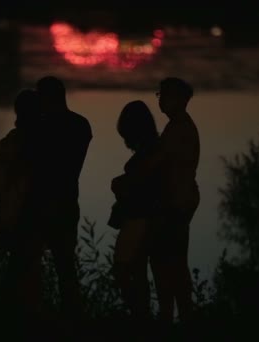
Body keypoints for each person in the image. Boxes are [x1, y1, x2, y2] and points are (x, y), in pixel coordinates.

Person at [113, 77, 200, 324]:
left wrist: (124, 180)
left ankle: (172, 317)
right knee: (170, 265)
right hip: (177, 203)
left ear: (181, 99)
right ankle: (176, 316)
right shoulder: (176, 128)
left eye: (165, 95)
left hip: (175, 206)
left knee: (167, 266)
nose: (161, 100)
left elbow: (154, 165)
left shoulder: (179, 130)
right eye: (159, 95)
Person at [25, 76, 93, 319]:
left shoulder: (40, 128)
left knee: (31, 266)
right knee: (65, 266)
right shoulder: (81, 125)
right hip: (67, 201)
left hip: (39, 204)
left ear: (44, 98)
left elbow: (33, 163)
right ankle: (73, 317)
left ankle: (34, 318)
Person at [0, 89, 43, 315]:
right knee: (30, 270)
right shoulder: (43, 144)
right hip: (33, 217)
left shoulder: (8, 144)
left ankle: (14, 317)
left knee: (17, 269)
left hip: (12, 215)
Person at [109, 100, 160, 321]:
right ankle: (142, 316)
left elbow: (143, 185)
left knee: (123, 270)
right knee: (137, 272)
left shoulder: (150, 153)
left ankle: (140, 315)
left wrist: (120, 184)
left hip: (138, 219)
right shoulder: (152, 150)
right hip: (141, 219)